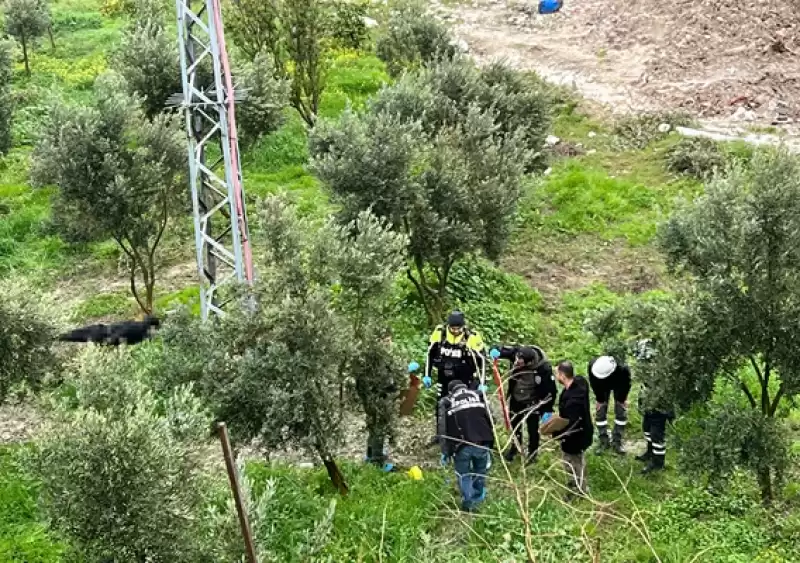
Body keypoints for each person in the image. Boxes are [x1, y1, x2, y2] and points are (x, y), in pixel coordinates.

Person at [424, 311, 486, 443]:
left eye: (458, 328)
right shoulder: (440, 333)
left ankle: (465, 435)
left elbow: (482, 360)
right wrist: (427, 375)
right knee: (441, 405)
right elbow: (430, 353)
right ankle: (442, 435)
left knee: (465, 405)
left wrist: (482, 381)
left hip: (465, 378)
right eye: (453, 328)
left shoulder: (472, 337)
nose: (455, 331)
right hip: (444, 377)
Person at [492, 344, 556, 464]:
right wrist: (495, 351)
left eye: (520, 363)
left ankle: (532, 453)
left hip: (532, 402)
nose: (516, 363)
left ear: (529, 362)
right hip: (516, 399)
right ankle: (514, 447)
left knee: (533, 429)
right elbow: (502, 350)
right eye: (516, 360)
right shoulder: (517, 353)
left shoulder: (544, 369)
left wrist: (546, 410)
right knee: (515, 425)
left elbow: (550, 391)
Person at [438, 380, 494, 512]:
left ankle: (468, 502)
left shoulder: (447, 402)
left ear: (451, 391)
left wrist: (445, 451)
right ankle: (478, 496)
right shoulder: (478, 396)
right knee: (480, 471)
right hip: (482, 441)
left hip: (461, 445)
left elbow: (442, 429)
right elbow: (492, 419)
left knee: (464, 474)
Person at [554, 361, 593, 499]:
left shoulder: (573, 401)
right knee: (572, 461)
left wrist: (557, 434)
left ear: (563, 375)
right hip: (582, 432)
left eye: (557, 373)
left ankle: (580, 490)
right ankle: (575, 485)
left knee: (574, 462)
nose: (556, 376)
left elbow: (571, 424)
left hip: (575, 437)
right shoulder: (580, 384)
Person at [588, 355, 631, 455]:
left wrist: (622, 399)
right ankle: (604, 441)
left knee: (621, 410)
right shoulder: (593, 366)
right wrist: (600, 399)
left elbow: (626, 384)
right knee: (600, 410)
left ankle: (617, 441)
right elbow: (594, 383)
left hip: (619, 384)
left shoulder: (623, 370)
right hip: (601, 387)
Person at [636, 382, 675, 474]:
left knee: (656, 435)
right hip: (648, 403)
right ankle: (650, 453)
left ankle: (658, 463)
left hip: (660, 405)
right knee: (646, 428)